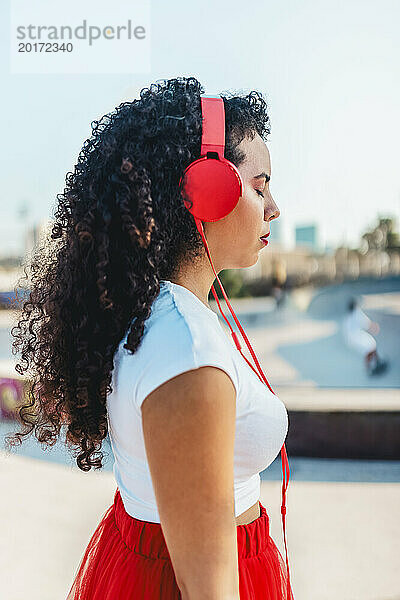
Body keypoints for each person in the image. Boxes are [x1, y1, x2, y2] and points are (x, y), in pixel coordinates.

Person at [5, 77, 293, 599]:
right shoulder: (186, 352)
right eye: (260, 184)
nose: (275, 207)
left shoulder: (158, 314)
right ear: (206, 189)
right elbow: (208, 591)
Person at [342, 297, 388, 375]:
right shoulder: (357, 313)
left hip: (351, 339)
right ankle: (371, 366)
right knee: (371, 346)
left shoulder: (347, 317)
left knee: (370, 346)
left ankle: (375, 363)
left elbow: (346, 332)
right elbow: (366, 324)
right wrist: (374, 327)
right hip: (356, 336)